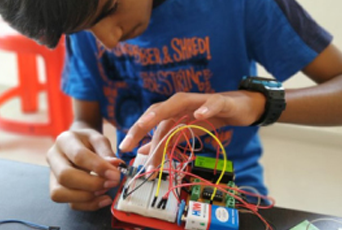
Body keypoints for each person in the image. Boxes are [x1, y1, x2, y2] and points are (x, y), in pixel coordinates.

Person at [1, 0, 342, 212]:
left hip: (226, 195)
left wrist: (256, 103)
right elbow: (84, 123)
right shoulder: (79, 11)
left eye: (108, 10)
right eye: (84, 29)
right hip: (132, 196)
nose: (109, 39)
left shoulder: (241, 5)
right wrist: (75, 149)